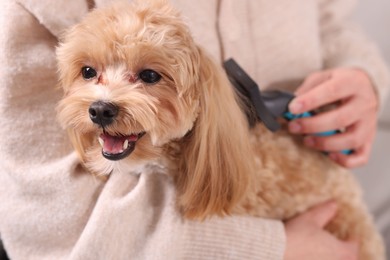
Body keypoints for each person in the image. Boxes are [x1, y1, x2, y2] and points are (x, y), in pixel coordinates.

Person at [0, 0, 388, 259]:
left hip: (328, 202)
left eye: (148, 76)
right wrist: (272, 248)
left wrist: (361, 75)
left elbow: (330, 19)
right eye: (89, 73)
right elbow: (47, 226)